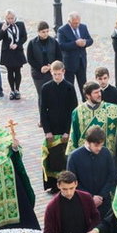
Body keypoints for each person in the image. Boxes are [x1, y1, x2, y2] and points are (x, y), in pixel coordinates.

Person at [67, 127, 117, 233]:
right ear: (87, 142)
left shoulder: (106, 153)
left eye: (101, 145)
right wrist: (90, 198)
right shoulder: (74, 157)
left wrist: (101, 196)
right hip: (84, 205)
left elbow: (112, 175)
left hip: (104, 203)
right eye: (97, 145)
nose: (99, 148)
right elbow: (72, 182)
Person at [39, 61, 79, 193]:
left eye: (59, 74)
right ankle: (54, 185)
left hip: (65, 128)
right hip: (52, 128)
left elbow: (73, 111)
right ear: (51, 73)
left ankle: (66, 184)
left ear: (64, 72)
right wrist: (47, 131)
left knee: (64, 158)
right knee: (53, 158)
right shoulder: (45, 88)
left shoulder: (69, 87)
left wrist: (68, 131)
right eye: (54, 74)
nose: (56, 76)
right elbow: (43, 110)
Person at [66, 81, 117, 155]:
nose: (99, 95)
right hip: (85, 156)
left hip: (105, 156)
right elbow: (73, 136)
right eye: (96, 93)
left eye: (99, 92)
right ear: (88, 95)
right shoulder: (77, 112)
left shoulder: (111, 109)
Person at [58, 12, 93, 100]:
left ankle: (86, 102)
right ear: (69, 22)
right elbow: (61, 45)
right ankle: (71, 103)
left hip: (81, 61)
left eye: (78, 22)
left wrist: (85, 43)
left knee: (84, 85)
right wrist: (75, 43)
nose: (77, 25)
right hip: (70, 63)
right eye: (74, 23)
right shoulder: (62, 30)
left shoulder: (83, 27)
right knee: (69, 86)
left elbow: (90, 40)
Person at [26, 21, 60, 108]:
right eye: (43, 32)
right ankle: (43, 118)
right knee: (42, 95)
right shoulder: (32, 43)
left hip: (51, 72)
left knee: (53, 95)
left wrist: (51, 66)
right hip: (38, 74)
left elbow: (59, 57)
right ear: (38, 32)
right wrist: (40, 68)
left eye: (47, 31)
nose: (45, 34)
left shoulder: (54, 42)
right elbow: (30, 59)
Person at [0, 9, 27, 100]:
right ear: (5, 18)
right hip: (7, 52)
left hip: (17, 51)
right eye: (8, 18)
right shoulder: (2, 25)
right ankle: (12, 90)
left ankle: (17, 89)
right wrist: (3, 30)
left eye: (12, 18)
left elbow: (24, 37)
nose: (10, 20)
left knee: (18, 71)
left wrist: (17, 44)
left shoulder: (20, 24)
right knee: (10, 72)